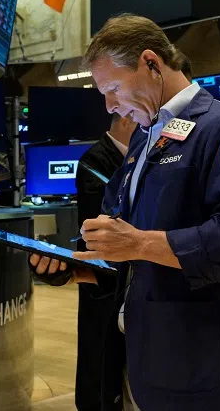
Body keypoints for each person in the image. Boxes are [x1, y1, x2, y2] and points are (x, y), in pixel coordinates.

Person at [30, 13, 220, 411]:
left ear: (151, 63)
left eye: (113, 89)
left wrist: (139, 244)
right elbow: (128, 252)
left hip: (198, 358)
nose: (110, 106)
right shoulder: (145, 139)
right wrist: (75, 267)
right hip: (140, 353)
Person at [74, 112, 137, 411]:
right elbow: (105, 213)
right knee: (98, 347)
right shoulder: (94, 160)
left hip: (126, 269)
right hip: (100, 271)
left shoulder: (138, 155)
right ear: (125, 120)